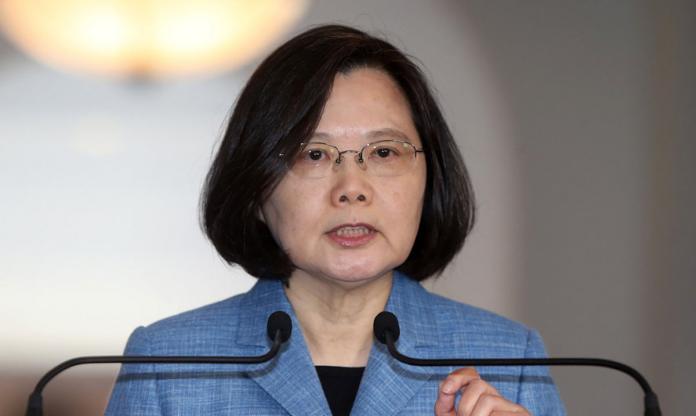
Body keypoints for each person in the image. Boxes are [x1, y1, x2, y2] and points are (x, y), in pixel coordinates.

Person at [105, 25, 565, 416]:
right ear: (257, 188)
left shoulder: (509, 361)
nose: (351, 188)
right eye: (313, 154)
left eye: (384, 152)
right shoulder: (167, 366)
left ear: (430, 178)